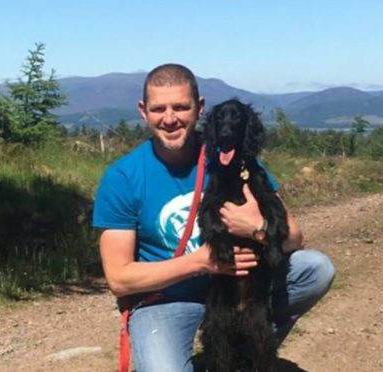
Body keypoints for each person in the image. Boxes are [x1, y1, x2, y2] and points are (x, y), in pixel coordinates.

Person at [92, 63, 335, 372]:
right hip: (167, 300)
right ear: (143, 111)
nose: (170, 119)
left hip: (235, 285)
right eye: (158, 109)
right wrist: (201, 262)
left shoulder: (230, 157)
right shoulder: (122, 177)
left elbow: (295, 238)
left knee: (315, 268)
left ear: (200, 108)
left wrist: (257, 228)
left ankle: (246, 353)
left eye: (181, 107)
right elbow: (119, 278)